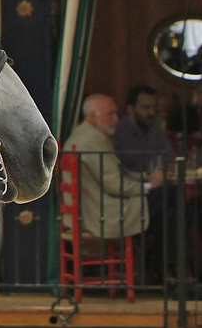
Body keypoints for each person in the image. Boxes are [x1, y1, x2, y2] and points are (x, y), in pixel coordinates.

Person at [64, 94, 154, 240]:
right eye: (110, 113)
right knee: (164, 202)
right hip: (100, 214)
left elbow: (116, 173)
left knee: (168, 208)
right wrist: (148, 186)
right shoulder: (91, 140)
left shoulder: (87, 134)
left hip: (93, 208)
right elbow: (114, 184)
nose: (116, 119)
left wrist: (145, 178)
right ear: (91, 116)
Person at [114, 84, 173, 174]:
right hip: (129, 185)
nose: (152, 113)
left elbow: (170, 160)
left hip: (158, 184)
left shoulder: (155, 132)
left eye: (154, 107)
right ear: (131, 109)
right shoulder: (117, 134)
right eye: (146, 108)